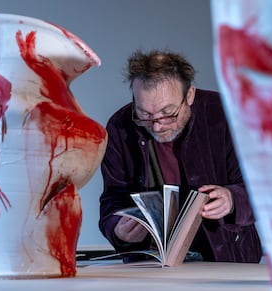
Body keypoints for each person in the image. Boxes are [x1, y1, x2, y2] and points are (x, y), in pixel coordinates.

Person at [99, 49, 262, 263]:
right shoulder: (120, 126)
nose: (157, 126)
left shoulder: (225, 115)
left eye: (168, 113)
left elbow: (264, 190)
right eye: (144, 115)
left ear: (190, 95)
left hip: (226, 260)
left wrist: (232, 200)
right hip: (152, 266)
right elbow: (112, 200)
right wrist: (118, 229)